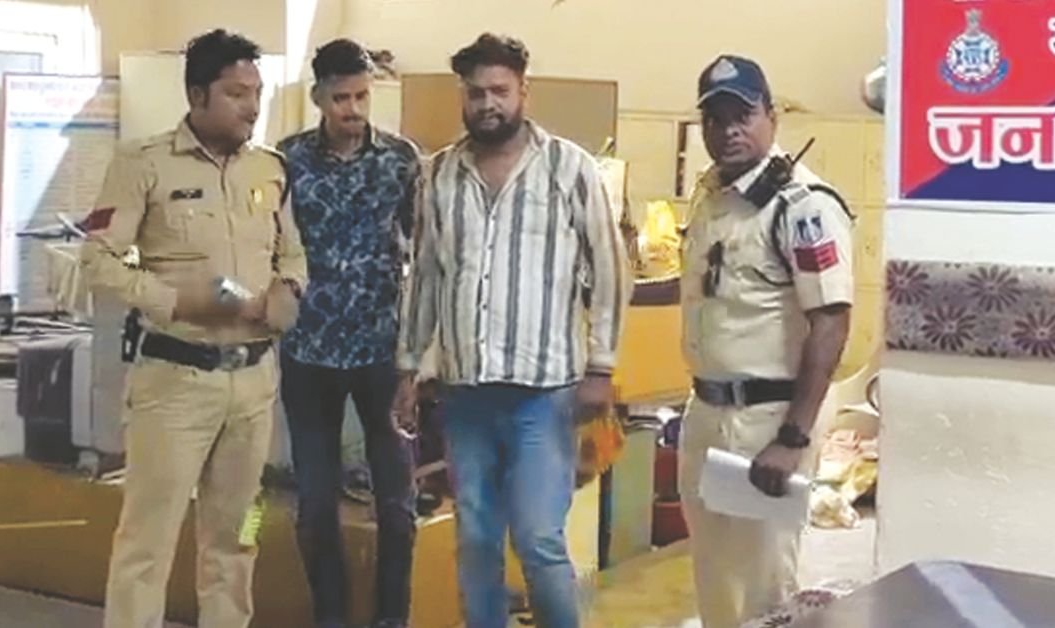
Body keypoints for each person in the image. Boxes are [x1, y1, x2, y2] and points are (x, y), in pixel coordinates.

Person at [394, 33, 631, 628]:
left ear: (524, 91)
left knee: (538, 539)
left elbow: (610, 270)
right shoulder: (438, 175)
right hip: (466, 394)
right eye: (475, 93)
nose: (487, 104)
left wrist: (602, 366)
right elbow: (426, 276)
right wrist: (409, 366)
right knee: (475, 538)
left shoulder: (569, 169)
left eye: (499, 90)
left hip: (543, 396)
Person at [80, 29, 307, 628]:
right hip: (175, 383)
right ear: (197, 94)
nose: (252, 107)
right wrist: (175, 301)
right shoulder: (143, 164)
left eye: (257, 92)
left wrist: (288, 289)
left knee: (240, 533)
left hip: (253, 388)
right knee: (147, 540)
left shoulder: (271, 169)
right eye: (236, 93)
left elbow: (293, 253)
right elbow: (98, 260)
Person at [678, 54, 854, 627]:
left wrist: (792, 437)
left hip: (768, 421)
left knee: (766, 587)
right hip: (708, 411)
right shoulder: (713, 196)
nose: (728, 130)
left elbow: (831, 321)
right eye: (715, 118)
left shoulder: (804, 207)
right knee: (714, 579)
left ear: (772, 117)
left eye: (743, 115)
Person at [276, 38, 421, 628]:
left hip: (381, 352)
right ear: (318, 98)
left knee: (398, 506)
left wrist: (418, 353)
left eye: (361, 97)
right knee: (315, 505)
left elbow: (424, 251)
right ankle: (330, 616)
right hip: (307, 353)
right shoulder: (286, 161)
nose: (353, 110)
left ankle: (392, 618)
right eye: (341, 99)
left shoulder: (401, 160)